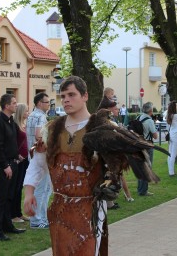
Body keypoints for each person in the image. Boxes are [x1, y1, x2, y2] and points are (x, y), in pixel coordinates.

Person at [23, 76, 109, 255]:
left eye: (71, 94)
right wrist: (29, 192)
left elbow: (116, 165)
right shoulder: (52, 130)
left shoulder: (102, 128)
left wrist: (111, 180)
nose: (66, 99)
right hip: (60, 207)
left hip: (90, 207)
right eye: (63, 96)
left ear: (85, 96)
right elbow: (37, 165)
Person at [0, 94, 26, 241]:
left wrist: (17, 156)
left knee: (9, 197)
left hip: (13, 163)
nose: (16, 105)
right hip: (2, 166)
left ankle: (7, 225)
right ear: (6, 106)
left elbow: (11, 142)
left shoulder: (11, 121)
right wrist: (5, 166)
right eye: (14, 103)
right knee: (0, 198)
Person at [97, 89, 134, 208]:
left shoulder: (109, 121)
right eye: (115, 108)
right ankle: (113, 200)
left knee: (113, 175)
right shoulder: (107, 122)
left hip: (111, 153)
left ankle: (110, 201)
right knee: (113, 175)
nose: (117, 109)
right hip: (109, 153)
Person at [25, 92, 52, 230]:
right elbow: (39, 135)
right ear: (40, 103)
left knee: (41, 189)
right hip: (40, 157)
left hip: (33, 156)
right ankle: (37, 220)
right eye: (47, 102)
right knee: (43, 190)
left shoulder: (31, 115)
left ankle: (41, 217)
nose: (49, 104)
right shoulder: (41, 116)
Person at [12, 103, 30, 223]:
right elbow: (12, 143)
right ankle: (13, 215)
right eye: (26, 111)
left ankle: (18, 213)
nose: (28, 113)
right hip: (17, 160)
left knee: (20, 187)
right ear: (21, 112)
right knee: (15, 188)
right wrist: (17, 156)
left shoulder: (24, 124)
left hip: (25, 159)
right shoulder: (15, 125)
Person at [137, 102, 158, 195]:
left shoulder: (138, 117)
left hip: (138, 145)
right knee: (147, 168)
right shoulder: (149, 120)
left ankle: (140, 188)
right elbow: (155, 136)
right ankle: (143, 190)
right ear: (150, 110)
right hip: (147, 145)